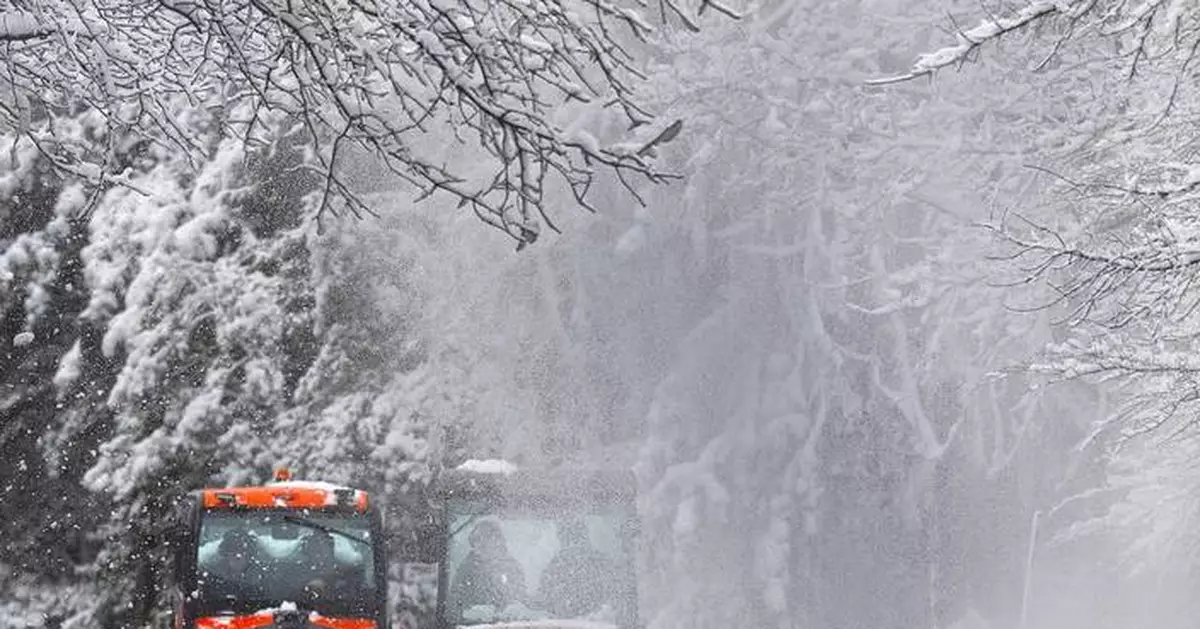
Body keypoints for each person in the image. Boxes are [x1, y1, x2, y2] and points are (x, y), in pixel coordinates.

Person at [537, 519, 611, 618]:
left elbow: (611, 603)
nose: (572, 545)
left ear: (585, 538)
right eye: (567, 540)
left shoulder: (601, 565)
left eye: (575, 539)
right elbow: (544, 601)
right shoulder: (554, 568)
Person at [451, 520, 526, 613]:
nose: (481, 543)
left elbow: (519, 598)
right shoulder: (465, 569)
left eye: (487, 537)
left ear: (498, 541)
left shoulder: (512, 567)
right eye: (477, 539)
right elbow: (455, 601)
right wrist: (475, 611)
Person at [199, 529, 265, 605]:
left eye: (242, 551)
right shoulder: (211, 577)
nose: (238, 556)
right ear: (225, 553)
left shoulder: (261, 579)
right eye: (233, 550)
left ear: (249, 555)